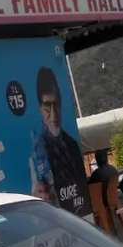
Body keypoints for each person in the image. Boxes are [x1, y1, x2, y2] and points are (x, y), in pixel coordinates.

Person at [31, 67, 89, 217]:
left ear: (61, 103)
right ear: (40, 108)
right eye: (47, 107)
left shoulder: (72, 145)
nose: (53, 114)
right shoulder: (38, 150)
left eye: (56, 104)